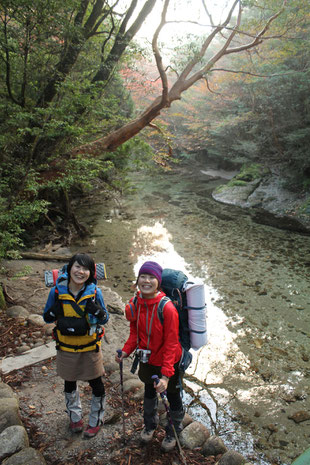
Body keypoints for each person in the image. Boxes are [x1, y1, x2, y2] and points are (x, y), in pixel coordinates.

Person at [115, 260, 184, 452]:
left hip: (168, 361)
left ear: (158, 282)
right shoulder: (136, 303)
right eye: (143, 277)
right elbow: (135, 333)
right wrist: (126, 351)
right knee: (149, 390)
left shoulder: (167, 308)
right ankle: (150, 425)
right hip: (147, 359)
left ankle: (173, 431)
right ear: (137, 281)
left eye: (151, 277)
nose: (146, 281)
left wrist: (166, 375)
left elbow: (172, 344)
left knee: (172, 394)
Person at [43, 253, 109, 438]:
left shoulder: (95, 292)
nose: (81, 272)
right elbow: (46, 317)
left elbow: (105, 318)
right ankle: (75, 417)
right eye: (77, 267)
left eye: (85, 268)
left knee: (96, 383)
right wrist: (54, 310)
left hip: (90, 347)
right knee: (69, 383)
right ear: (70, 268)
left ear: (91, 272)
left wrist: (97, 310)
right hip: (66, 347)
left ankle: (96, 419)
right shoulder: (56, 292)